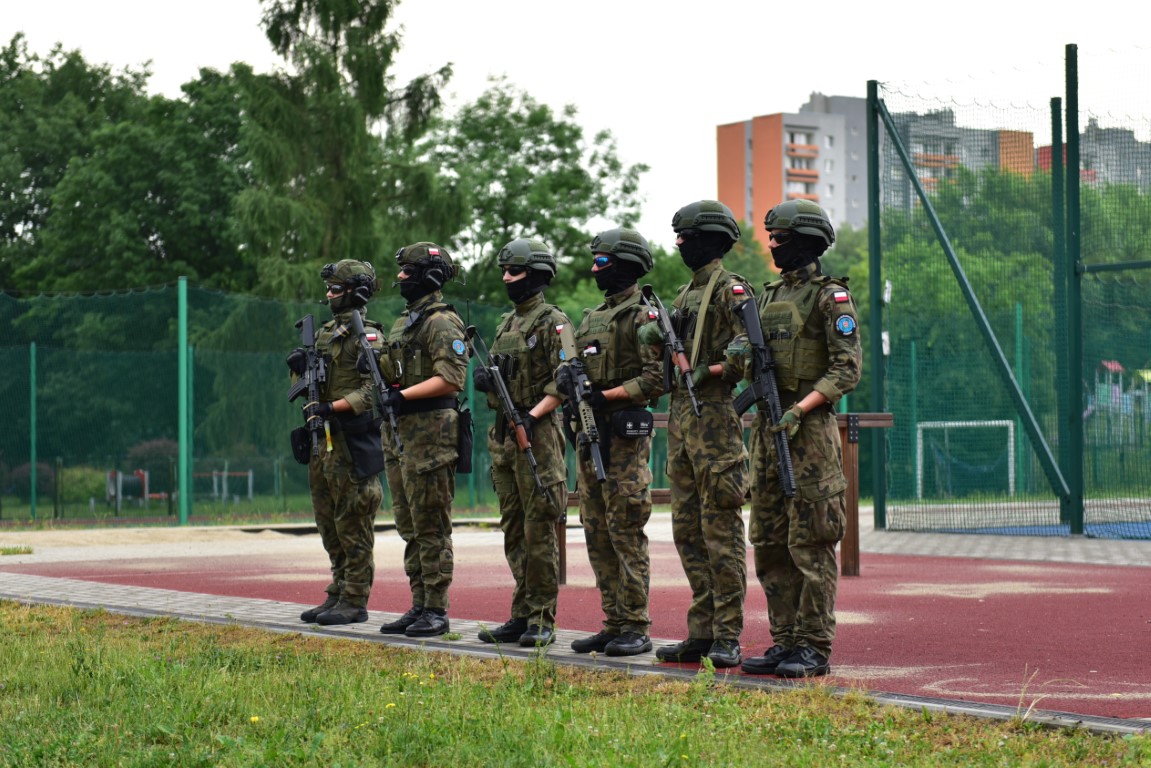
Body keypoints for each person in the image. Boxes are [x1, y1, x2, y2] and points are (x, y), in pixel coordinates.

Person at [738, 199, 862, 678]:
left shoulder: (832, 298)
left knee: (810, 543)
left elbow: (847, 368)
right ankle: (785, 639)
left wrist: (801, 408)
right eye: (771, 237)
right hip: (768, 434)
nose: (772, 245)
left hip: (807, 435)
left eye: (780, 237)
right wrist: (740, 353)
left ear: (806, 240)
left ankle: (813, 645)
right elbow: (744, 353)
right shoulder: (767, 297)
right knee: (769, 541)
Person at [653, 200, 751, 669]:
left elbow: (749, 347)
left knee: (721, 531)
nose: (679, 245)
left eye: (686, 237)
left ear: (709, 240)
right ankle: (702, 631)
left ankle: (727, 635)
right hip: (681, 421)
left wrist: (709, 369)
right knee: (687, 530)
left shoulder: (731, 289)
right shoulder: (682, 295)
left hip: (714, 419)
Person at [563, 228, 664, 657]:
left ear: (625, 264)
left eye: (602, 262)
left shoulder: (644, 317)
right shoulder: (591, 319)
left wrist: (606, 396)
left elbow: (656, 379)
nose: (594, 269)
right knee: (596, 531)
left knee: (625, 530)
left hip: (622, 441)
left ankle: (635, 625)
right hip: (589, 435)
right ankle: (613, 621)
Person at [473, 238, 572, 648]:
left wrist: (532, 416)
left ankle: (542, 618)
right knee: (513, 529)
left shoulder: (555, 321)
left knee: (539, 530)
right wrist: (485, 381)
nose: (506, 278)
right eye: (504, 271)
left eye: (514, 271)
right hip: (503, 438)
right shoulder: (505, 324)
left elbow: (567, 376)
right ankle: (521, 613)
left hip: (538, 436)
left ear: (535, 274)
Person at [375, 242, 468, 639]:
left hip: (430, 436)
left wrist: (403, 396)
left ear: (428, 275)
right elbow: (395, 371)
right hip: (400, 434)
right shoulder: (404, 322)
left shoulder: (441, 322)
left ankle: (436, 608)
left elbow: (451, 377)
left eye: (407, 271)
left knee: (431, 525)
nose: (400, 278)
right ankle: (419, 603)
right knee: (409, 525)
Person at [289, 260, 386, 626]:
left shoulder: (368, 335)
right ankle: (339, 589)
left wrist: (334, 407)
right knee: (327, 520)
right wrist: (298, 369)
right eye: (327, 289)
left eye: (336, 289)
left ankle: (355, 599)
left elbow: (374, 388)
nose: (329, 295)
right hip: (323, 441)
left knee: (353, 522)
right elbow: (310, 386)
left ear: (355, 292)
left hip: (350, 440)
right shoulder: (325, 333)